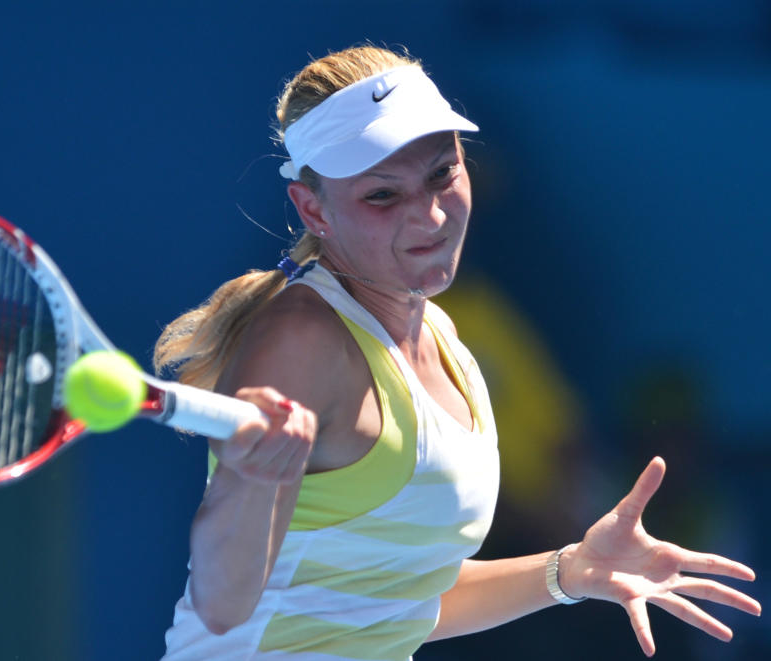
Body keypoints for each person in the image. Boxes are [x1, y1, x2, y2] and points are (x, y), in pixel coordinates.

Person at [156, 45, 760, 660]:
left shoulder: (445, 336)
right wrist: (254, 483)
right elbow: (222, 607)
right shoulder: (302, 340)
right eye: (382, 196)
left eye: (442, 174)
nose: (430, 214)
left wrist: (571, 571)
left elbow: (401, 602)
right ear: (315, 209)